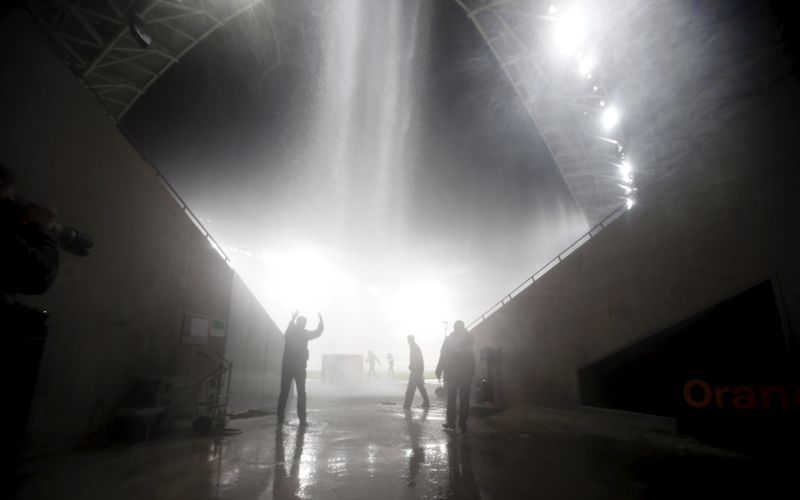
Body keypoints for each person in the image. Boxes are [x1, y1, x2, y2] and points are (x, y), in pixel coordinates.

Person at [277, 311, 324, 426]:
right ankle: (302, 419)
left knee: (284, 393)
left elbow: (287, 333)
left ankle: (280, 418)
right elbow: (317, 333)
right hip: (299, 368)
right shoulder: (304, 334)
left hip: (287, 367)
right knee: (301, 393)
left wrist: (292, 320)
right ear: (304, 324)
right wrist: (321, 323)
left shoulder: (291, 332)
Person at [435, 320, 475, 433]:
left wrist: (439, 369)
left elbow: (443, 355)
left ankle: (451, 423)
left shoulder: (449, 340)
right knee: (464, 400)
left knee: (451, 399)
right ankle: (462, 424)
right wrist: (472, 371)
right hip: (465, 374)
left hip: (452, 373)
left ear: (454, 327)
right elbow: (471, 356)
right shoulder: (469, 339)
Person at [403, 335, 430, 409]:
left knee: (411, 387)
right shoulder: (414, 346)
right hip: (417, 369)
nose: (407, 340)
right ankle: (426, 402)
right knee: (419, 386)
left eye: (408, 339)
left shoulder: (414, 347)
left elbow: (417, 359)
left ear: (410, 339)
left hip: (416, 369)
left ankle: (407, 404)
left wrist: (413, 367)